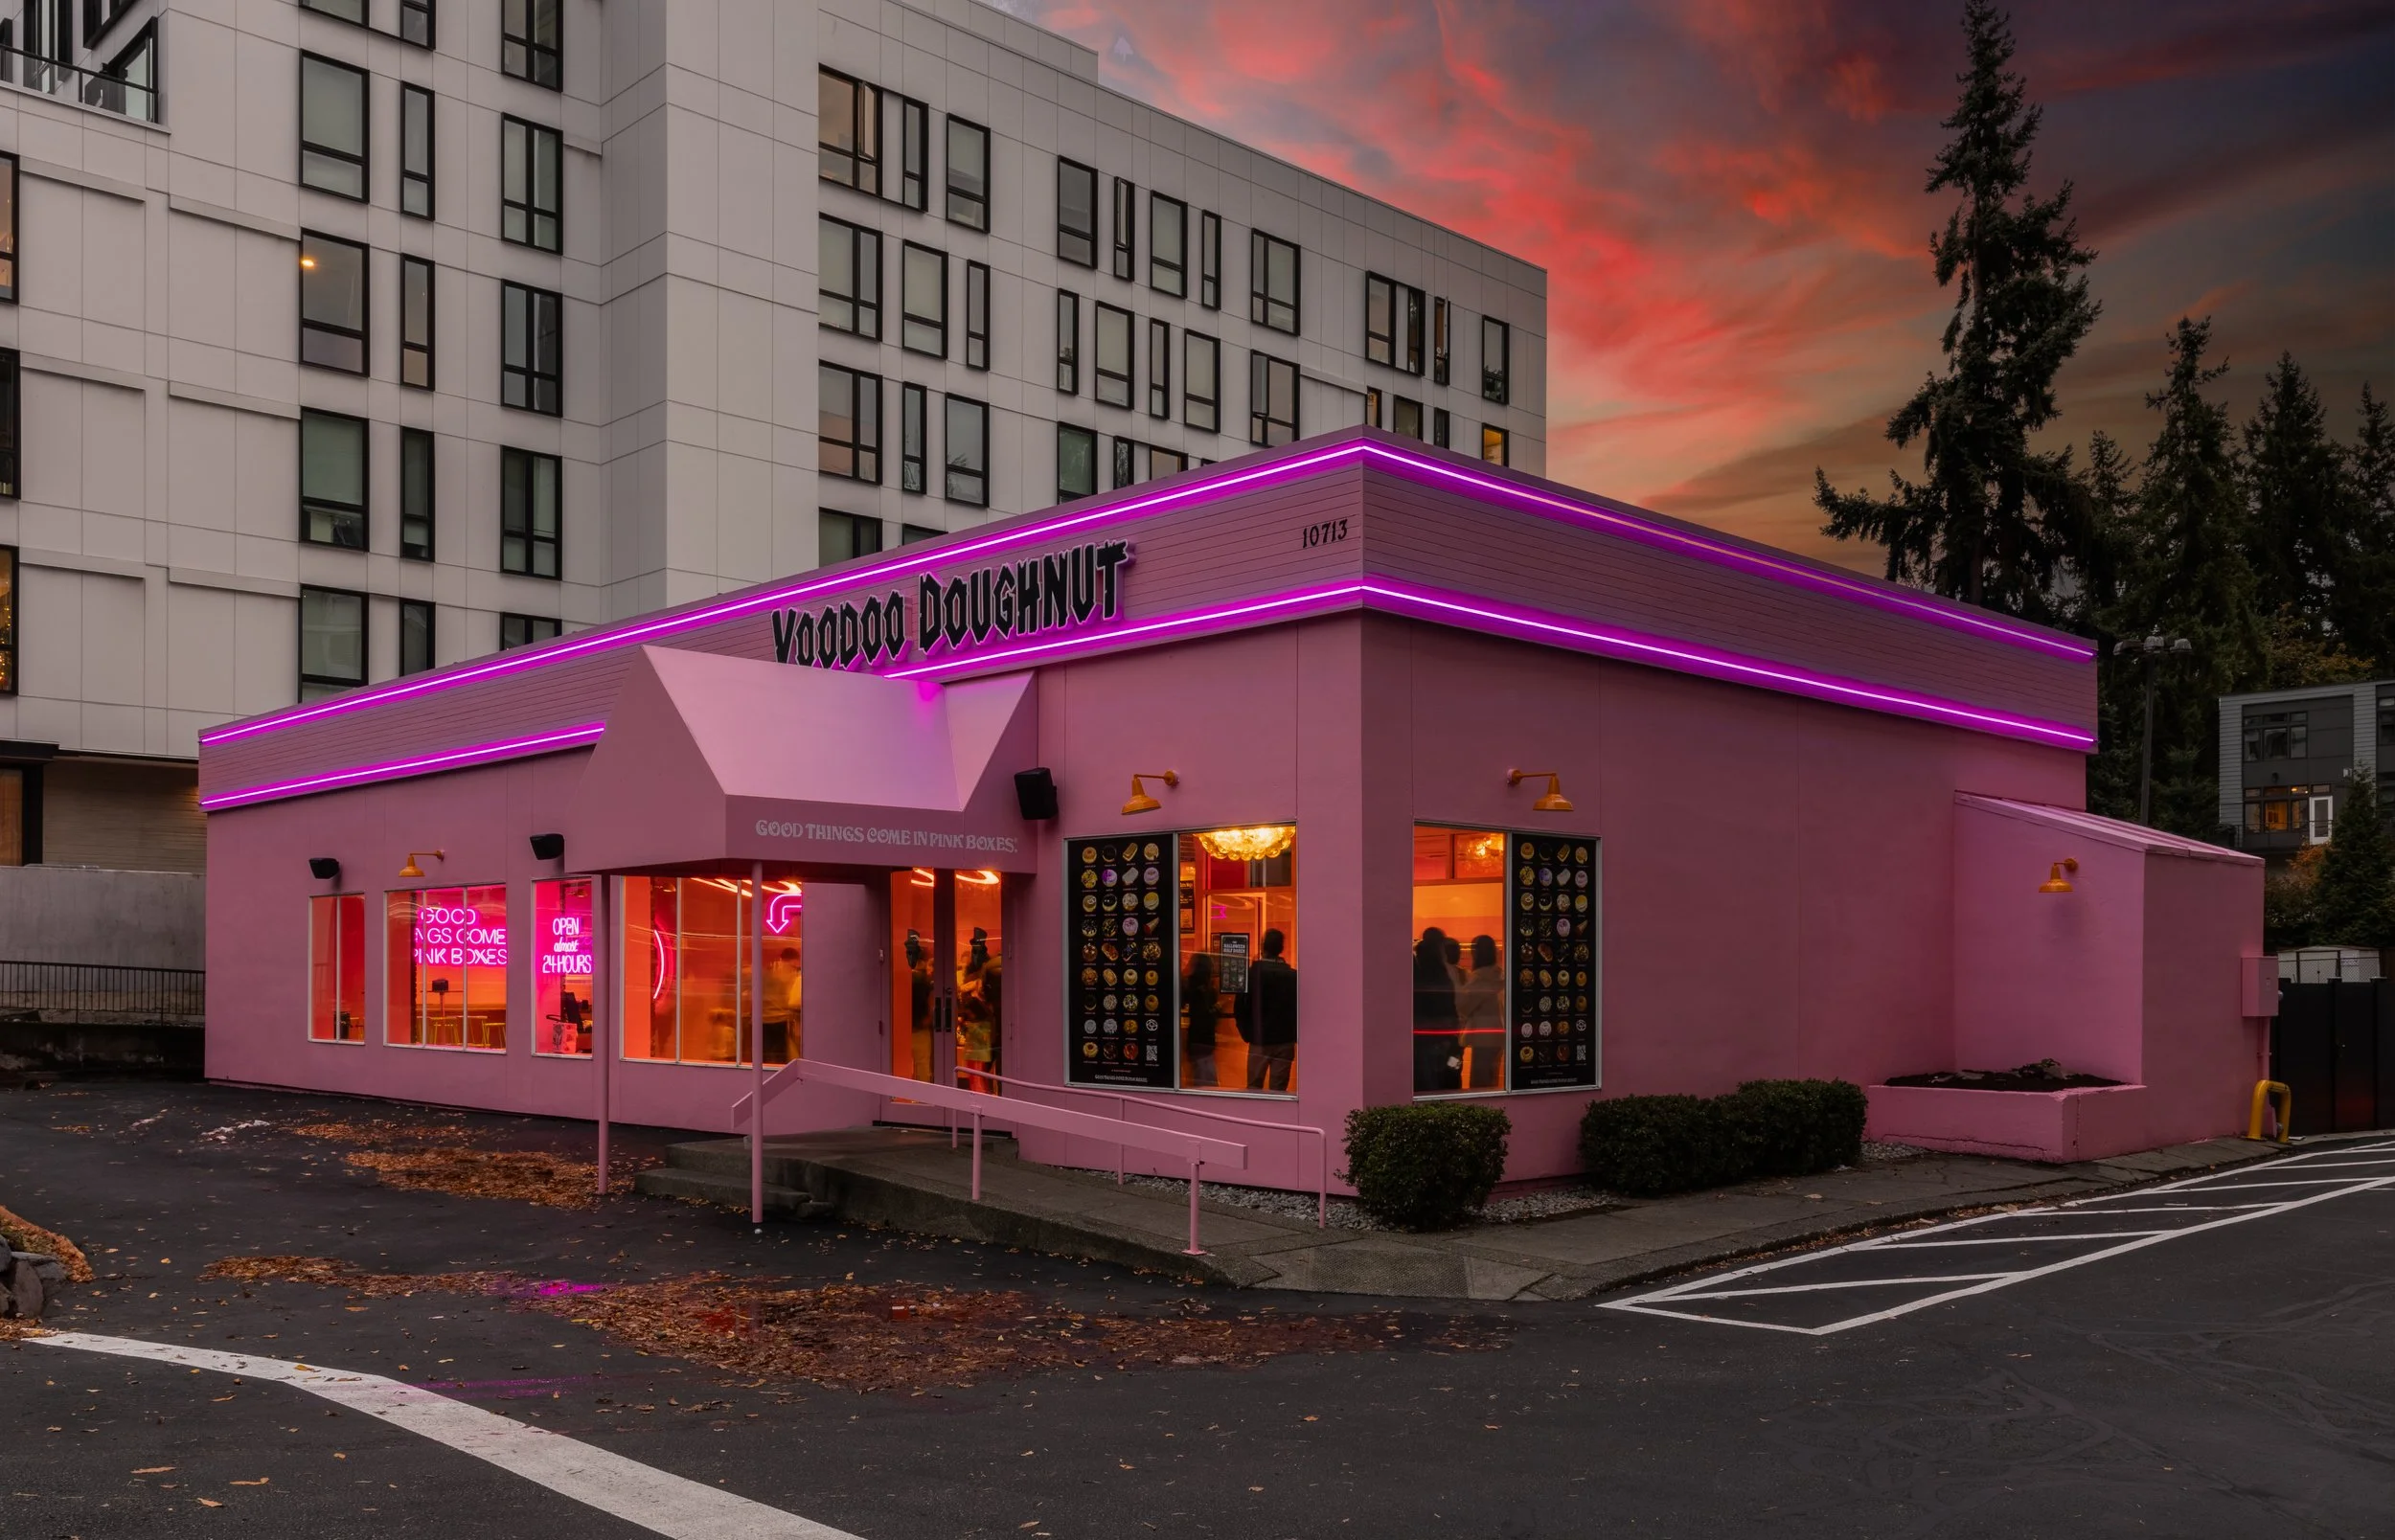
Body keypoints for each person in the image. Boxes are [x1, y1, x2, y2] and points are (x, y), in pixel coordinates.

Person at [1241, 928, 1298, 1092]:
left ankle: (1250, 1117)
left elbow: (1241, 1007)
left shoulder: (1252, 974)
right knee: (1278, 1091)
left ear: (1262, 947)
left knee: (1253, 1088)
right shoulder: (1292, 976)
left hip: (1259, 1039)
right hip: (1285, 1039)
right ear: (1281, 948)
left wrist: (1248, 1033)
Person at [1412, 927, 1461, 1093]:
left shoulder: (1418, 967)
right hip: (1442, 1035)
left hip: (1425, 1035)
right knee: (1446, 1078)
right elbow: (1449, 1004)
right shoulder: (1442, 971)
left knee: (1428, 1082)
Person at [1455, 934, 1504, 1089]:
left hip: (1482, 1037)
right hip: (1498, 1034)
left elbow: (1462, 1005)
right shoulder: (1500, 974)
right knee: (1492, 1079)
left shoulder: (1479, 978)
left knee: (1480, 1083)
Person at [1182, 951, 1220, 1087]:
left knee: (1196, 1077)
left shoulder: (1189, 986)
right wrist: (1218, 1008)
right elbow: (1207, 1016)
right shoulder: (1207, 990)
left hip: (1194, 1039)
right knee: (1207, 1082)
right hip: (1205, 1040)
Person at [905, 930, 934, 1080]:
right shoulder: (925, 981)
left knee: (902, 1065)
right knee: (922, 1065)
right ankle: (923, 1100)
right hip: (921, 1029)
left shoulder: (902, 979)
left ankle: (902, 1098)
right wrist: (928, 1017)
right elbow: (930, 1003)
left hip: (904, 1030)